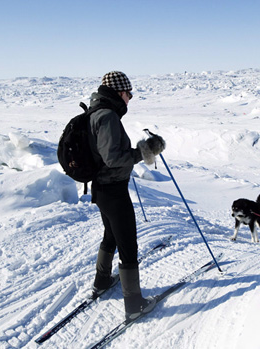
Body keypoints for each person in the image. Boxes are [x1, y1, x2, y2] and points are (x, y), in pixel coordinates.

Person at [87, 71, 165, 321]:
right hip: (112, 189)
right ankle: (134, 305)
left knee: (111, 235)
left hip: (102, 188)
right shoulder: (108, 116)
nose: (130, 98)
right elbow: (113, 158)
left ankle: (101, 282)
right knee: (128, 244)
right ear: (119, 92)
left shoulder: (96, 111)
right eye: (129, 93)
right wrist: (145, 151)